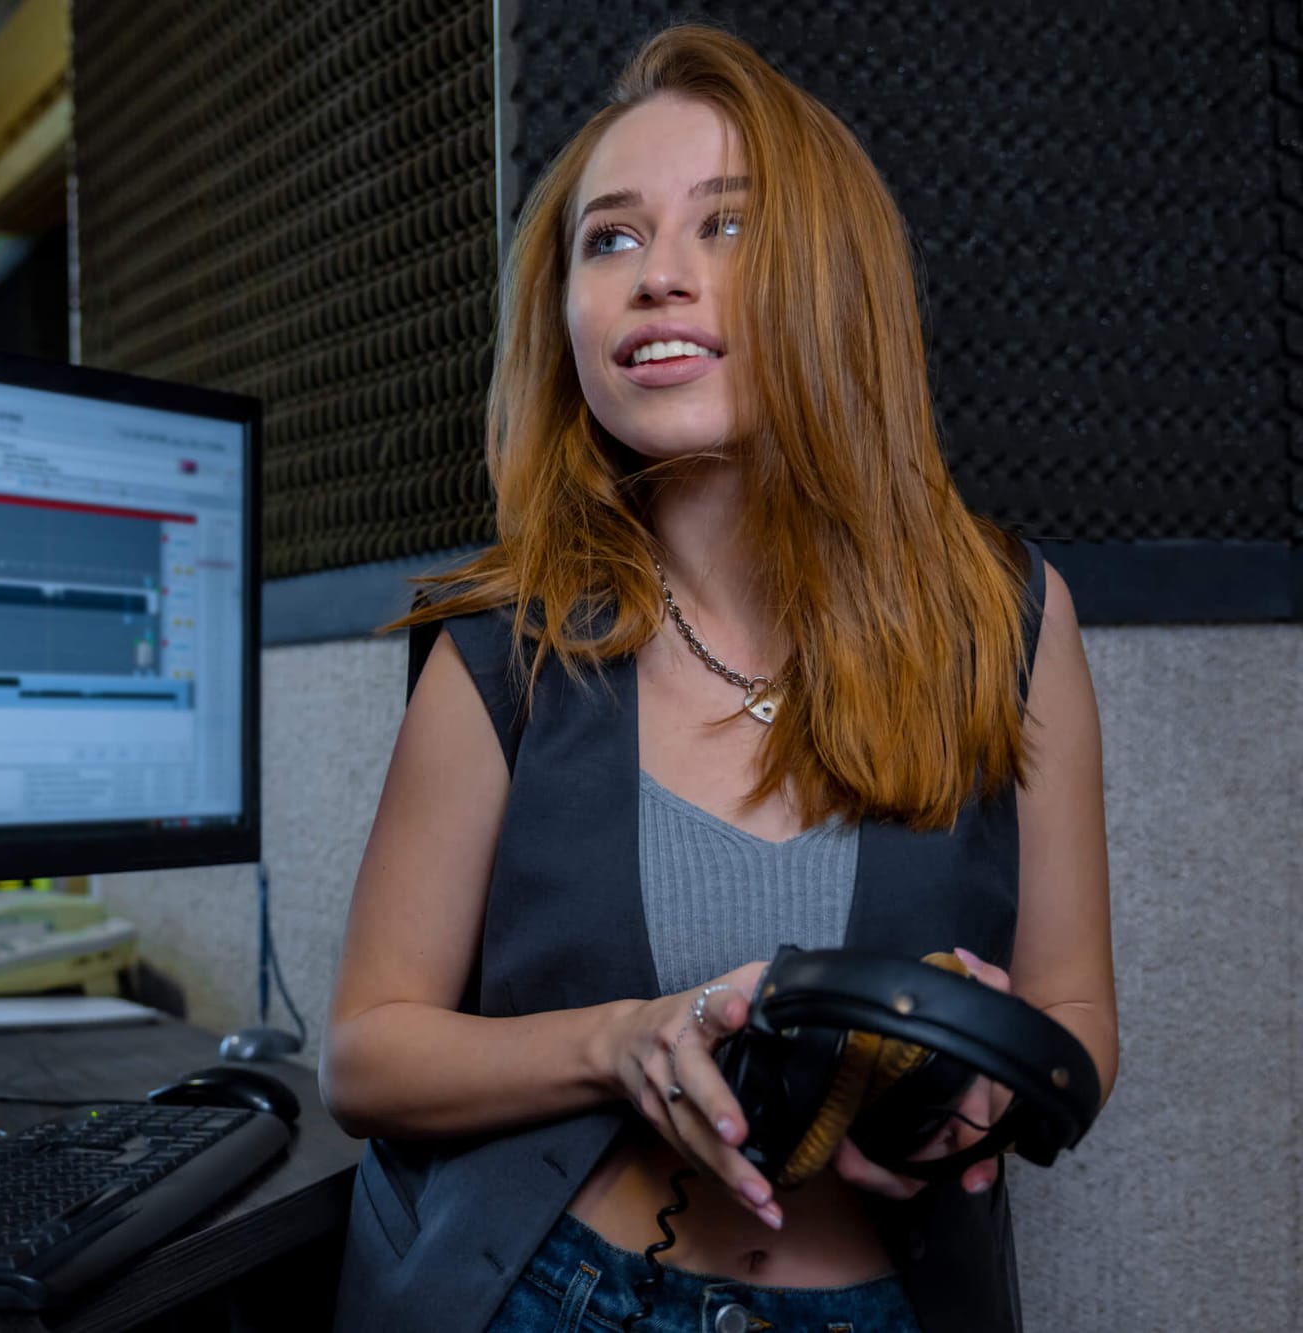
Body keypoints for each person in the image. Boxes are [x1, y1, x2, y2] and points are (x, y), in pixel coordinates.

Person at [318, 23, 1117, 1333]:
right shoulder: (501, 641)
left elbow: (1080, 1010)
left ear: (831, 278)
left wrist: (1003, 1081)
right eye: (611, 239)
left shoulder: (1008, 619)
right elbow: (365, 1052)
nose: (657, 277)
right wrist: (615, 1039)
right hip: (546, 1298)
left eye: (725, 227)